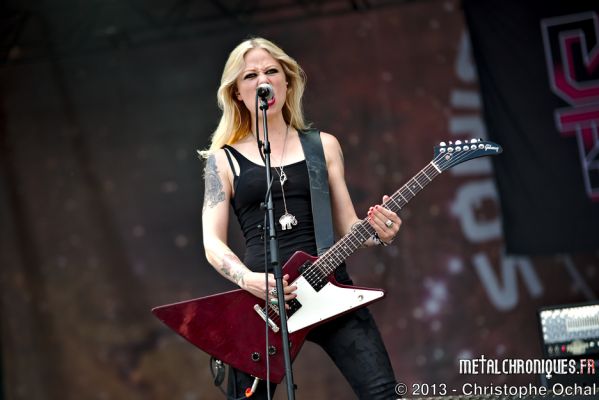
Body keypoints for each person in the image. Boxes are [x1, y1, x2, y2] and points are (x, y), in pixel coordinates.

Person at [200, 37, 402, 399]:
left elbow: (350, 226)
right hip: (262, 303)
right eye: (250, 75)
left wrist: (378, 232)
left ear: (287, 81)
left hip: (329, 286)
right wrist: (247, 279)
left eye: (271, 71)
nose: (263, 80)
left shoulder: (323, 146)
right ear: (237, 93)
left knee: (383, 393)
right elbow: (212, 242)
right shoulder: (222, 161)